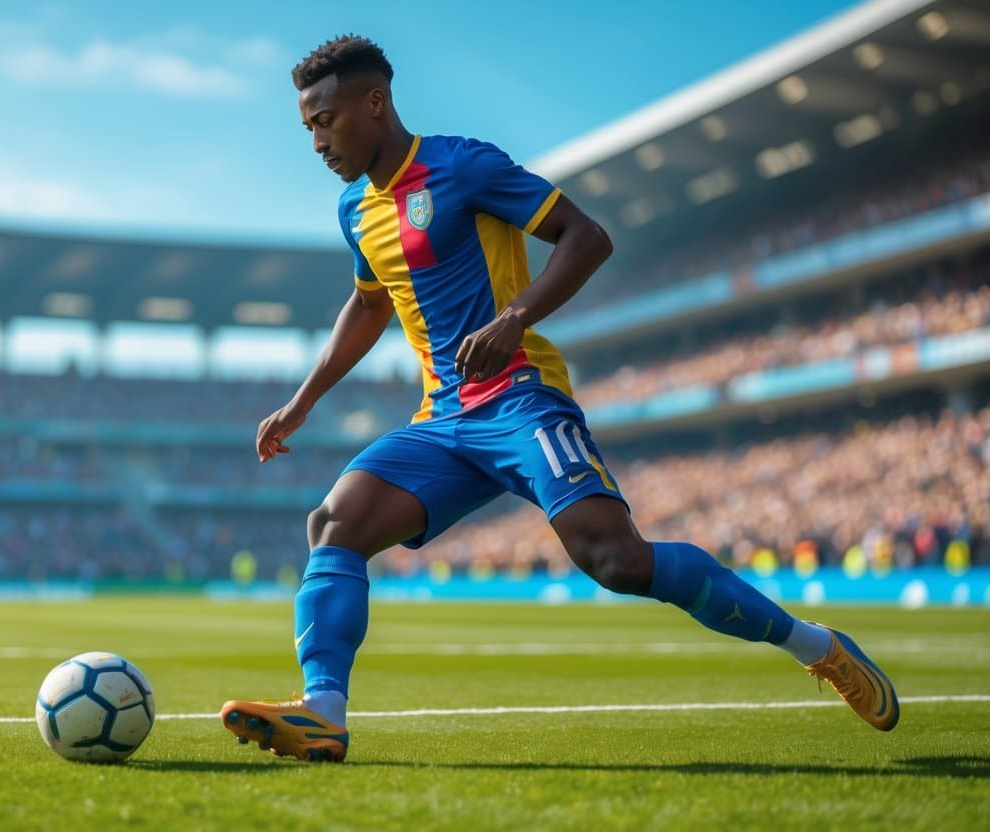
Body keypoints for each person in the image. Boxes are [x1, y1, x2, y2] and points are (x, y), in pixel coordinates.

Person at [220, 35, 899, 763]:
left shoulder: (461, 165)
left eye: (325, 121)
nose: (317, 143)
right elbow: (367, 305)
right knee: (334, 522)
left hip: (519, 398)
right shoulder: (355, 208)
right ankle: (324, 711)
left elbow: (586, 236)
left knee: (616, 560)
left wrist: (513, 318)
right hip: (442, 420)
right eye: (308, 127)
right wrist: (303, 401)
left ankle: (818, 647)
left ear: (375, 103)